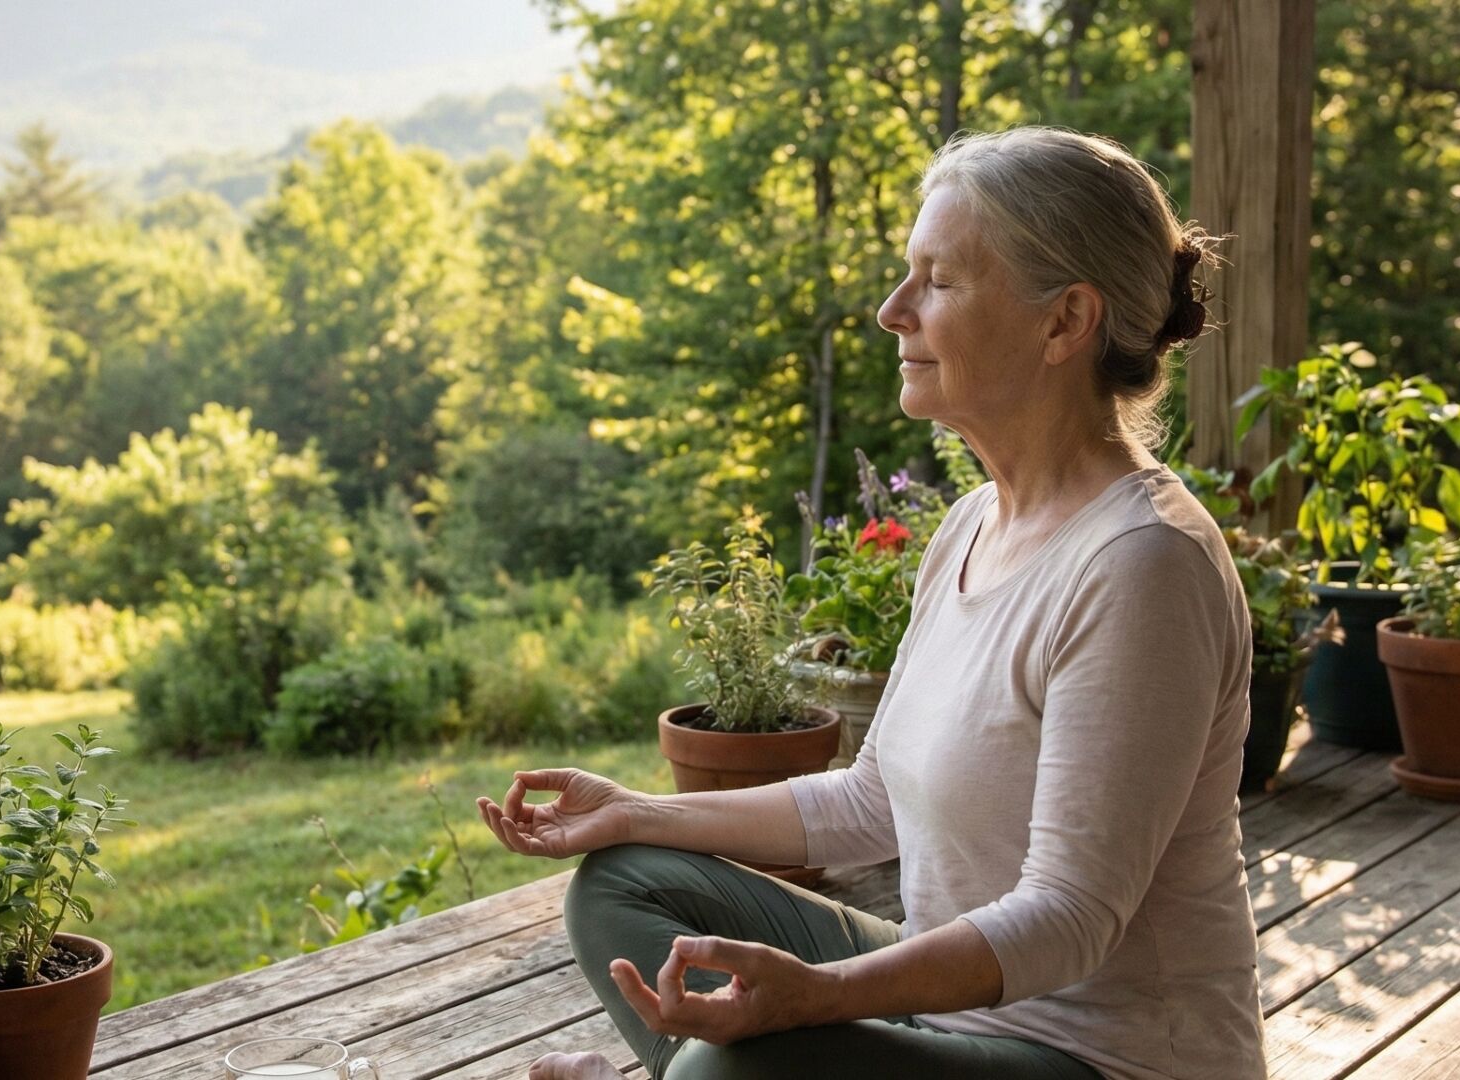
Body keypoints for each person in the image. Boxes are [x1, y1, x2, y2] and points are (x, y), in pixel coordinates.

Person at [476, 126, 1264, 1080]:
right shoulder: (973, 522)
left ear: (1065, 322)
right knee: (626, 886)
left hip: (1099, 1060)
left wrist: (823, 1002)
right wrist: (636, 812)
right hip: (953, 1021)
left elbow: (1069, 921)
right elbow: (868, 801)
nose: (895, 311)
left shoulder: (1144, 565)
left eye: (939, 281)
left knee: (732, 1069)